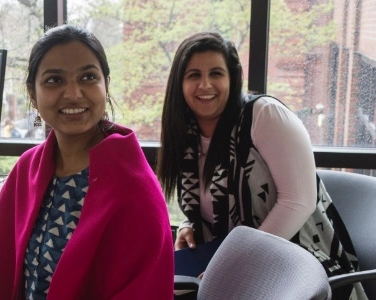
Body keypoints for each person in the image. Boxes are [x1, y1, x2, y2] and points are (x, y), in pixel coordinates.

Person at [0, 24, 173, 299]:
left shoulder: (135, 191)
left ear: (106, 85)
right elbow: (33, 250)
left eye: (88, 77)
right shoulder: (28, 169)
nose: (73, 94)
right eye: (54, 80)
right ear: (33, 95)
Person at [156, 32, 365, 299]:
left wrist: (236, 264)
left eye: (216, 74)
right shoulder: (186, 132)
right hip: (224, 261)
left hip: (298, 267)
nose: (205, 85)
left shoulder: (263, 115)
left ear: (232, 78)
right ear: (179, 84)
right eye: (194, 75)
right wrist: (191, 223)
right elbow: (213, 198)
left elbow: (298, 201)